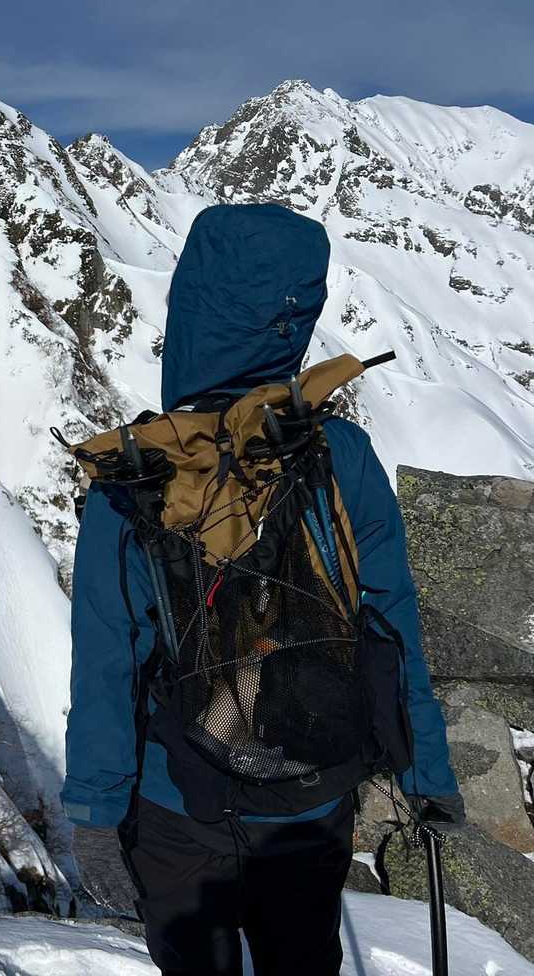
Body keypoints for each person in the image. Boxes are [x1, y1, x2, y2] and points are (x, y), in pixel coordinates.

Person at [60, 203, 464, 976]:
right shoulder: (339, 454)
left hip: (176, 801)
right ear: (295, 316)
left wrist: (94, 812)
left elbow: (108, 661)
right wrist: (426, 774)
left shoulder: (133, 475)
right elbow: (388, 625)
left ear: (191, 312)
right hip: (309, 798)